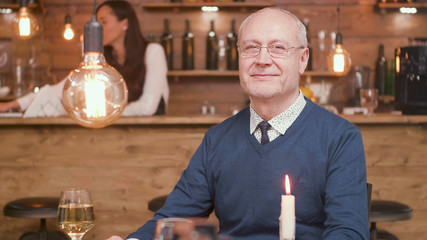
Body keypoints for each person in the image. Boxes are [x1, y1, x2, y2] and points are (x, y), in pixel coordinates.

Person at [112, 7, 369, 240]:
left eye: (278, 47)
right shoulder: (217, 139)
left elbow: (348, 233)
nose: (262, 59)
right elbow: (174, 217)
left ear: (302, 60)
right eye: (250, 48)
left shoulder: (340, 137)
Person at [0, 0, 169, 116]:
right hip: (115, 135)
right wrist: (12, 105)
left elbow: (148, 106)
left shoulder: (153, 51)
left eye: (104, 22)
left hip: (151, 134)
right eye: (97, 23)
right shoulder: (100, 61)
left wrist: (103, 114)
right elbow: (61, 89)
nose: (99, 28)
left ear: (124, 24)